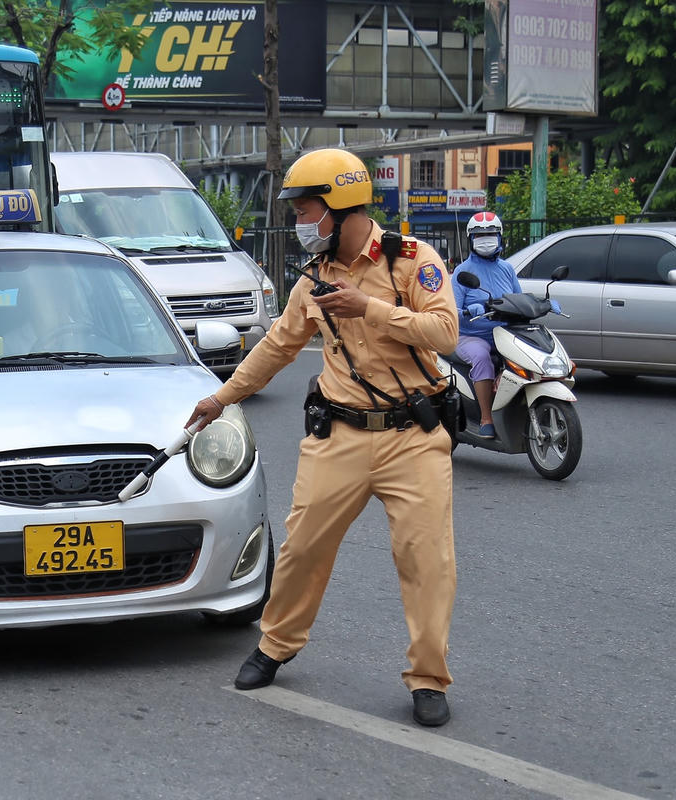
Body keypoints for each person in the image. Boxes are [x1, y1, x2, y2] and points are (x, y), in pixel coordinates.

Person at [185, 148, 460, 727]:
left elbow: (446, 333)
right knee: (303, 546)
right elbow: (278, 347)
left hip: (414, 436)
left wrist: (372, 308)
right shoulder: (313, 280)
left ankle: (428, 679)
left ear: (339, 207)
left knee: (426, 559)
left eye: (306, 209)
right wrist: (221, 397)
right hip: (338, 434)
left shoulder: (411, 261)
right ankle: (275, 644)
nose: (299, 222)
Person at [451, 211, 559, 439]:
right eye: (480, 235)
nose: (486, 239)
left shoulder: (506, 269)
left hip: (503, 334)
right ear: (470, 239)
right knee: (481, 357)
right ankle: (486, 418)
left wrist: (544, 303)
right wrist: (470, 311)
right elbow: (450, 312)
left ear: (500, 237)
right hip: (470, 335)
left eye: (490, 234)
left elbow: (518, 300)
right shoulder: (462, 273)